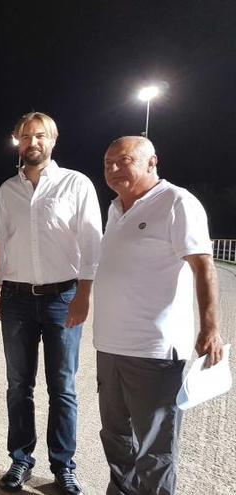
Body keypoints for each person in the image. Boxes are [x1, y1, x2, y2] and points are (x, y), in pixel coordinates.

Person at [93, 136, 223, 495]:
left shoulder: (177, 202)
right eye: (108, 163)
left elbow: (203, 267)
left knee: (156, 449)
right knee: (116, 437)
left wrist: (210, 326)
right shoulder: (116, 208)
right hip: (110, 347)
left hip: (155, 352)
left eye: (124, 161)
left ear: (152, 162)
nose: (114, 168)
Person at [0, 112, 102, 495]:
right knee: (18, 385)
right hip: (17, 298)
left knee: (63, 387)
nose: (32, 142)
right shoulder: (7, 190)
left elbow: (92, 245)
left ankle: (63, 465)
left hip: (63, 297)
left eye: (40, 136)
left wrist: (84, 294)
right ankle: (20, 460)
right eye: (25, 136)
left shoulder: (76, 184)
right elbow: (3, 244)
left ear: (53, 140)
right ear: (17, 141)